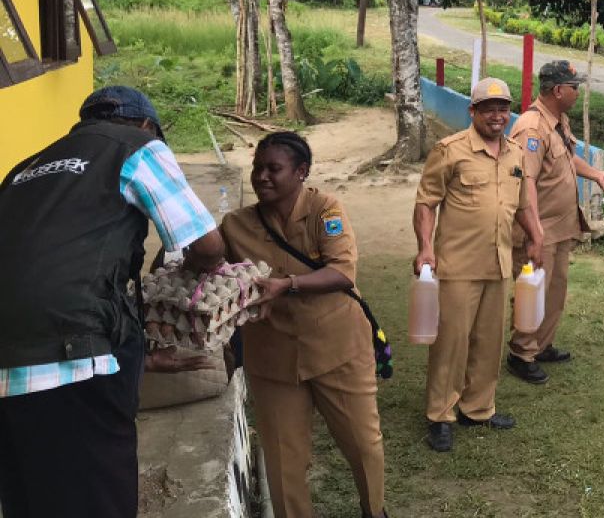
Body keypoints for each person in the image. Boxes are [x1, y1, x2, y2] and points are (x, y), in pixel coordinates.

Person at [0, 86, 225, 518]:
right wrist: (194, 279)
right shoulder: (138, 146)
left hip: (8, 369)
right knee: (97, 501)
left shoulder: (24, 169)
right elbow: (208, 245)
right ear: (146, 125)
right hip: (71, 360)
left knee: (30, 501)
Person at [220, 132, 387, 518]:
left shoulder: (324, 210)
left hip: (337, 347)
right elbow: (212, 267)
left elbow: (342, 272)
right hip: (272, 358)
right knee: (283, 462)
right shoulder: (236, 226)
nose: (262, 176)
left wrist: (288, 285)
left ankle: (374, 510)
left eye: (273, 169)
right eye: (258, 168)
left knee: (364, 444)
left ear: (301, 172)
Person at [413, 77, 544, 453]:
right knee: (451, 343)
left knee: (488, 342)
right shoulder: (449, 150)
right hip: (457, 263)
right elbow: (426, 202)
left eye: (503, 108)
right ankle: (440, 414)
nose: (498, 115)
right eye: (489, 108)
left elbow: (522, 205)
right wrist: (425, 248)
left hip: (499, 262)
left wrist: (536, 237)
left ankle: (478, 407)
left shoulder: (516, 153)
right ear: (473, 112)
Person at [506, 61, 604, 385]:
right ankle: (521, 354)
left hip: (560, 226)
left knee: (554, 290)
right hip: (539, 228)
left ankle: (540, 345)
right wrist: (534, 232)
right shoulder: (532, 127)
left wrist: (596, 174)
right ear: (559, 90)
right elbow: (525, 180)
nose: (577, 91)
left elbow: (568, 158)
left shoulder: (558, 121)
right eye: (574, 86)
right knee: (533, 291)